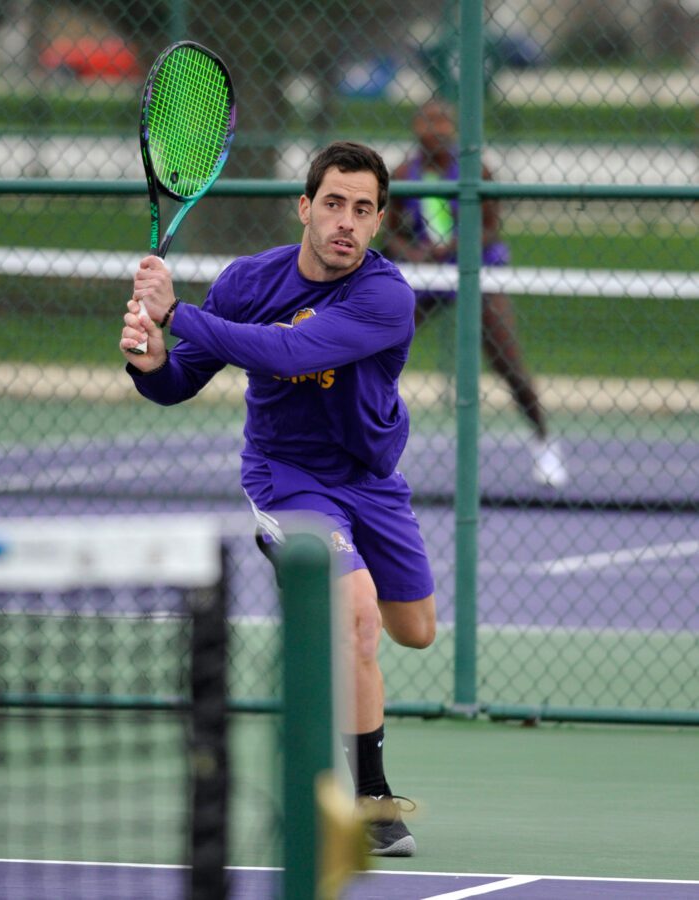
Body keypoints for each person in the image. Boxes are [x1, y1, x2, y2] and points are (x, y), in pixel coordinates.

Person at [121, 141, 435, 857]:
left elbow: (290, 353)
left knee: (413, 630)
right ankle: (370, 799)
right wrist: (148, 359)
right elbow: (176, 384)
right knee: (356, 617)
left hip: (371, 480)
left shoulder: (387, 297)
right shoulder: (246, 282)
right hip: (288, 477)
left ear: (380, 220)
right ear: (305, 207)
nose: (346, 222)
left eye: (363, 209)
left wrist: (180, 315)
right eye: (333, 204)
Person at [382, 98, 568, 488]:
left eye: (443, 122)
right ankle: (367, 442)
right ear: (415, 126)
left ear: (454, 129)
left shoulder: (474, 168)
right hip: (428, 274)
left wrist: (457, 246)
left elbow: (490, 228)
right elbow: (391, 233)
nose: (436, 130)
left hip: (477, 270)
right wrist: (414, 253)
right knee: (381, 350)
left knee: (508, 361)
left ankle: (545, 443)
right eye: (428, 121)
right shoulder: (403, 173)